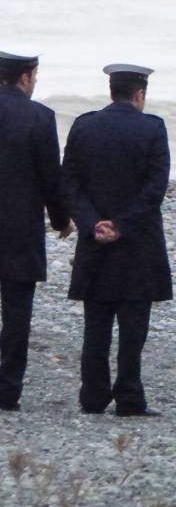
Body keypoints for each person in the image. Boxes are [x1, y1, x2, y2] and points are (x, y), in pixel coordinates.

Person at [62, 64, 171, 416]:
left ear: (112, 91)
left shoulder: (84, 126)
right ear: (139, 93)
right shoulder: (153, 128)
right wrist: (122, 225)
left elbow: (70, 183)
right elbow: (155, 188)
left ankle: (92, 396)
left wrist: (93, 223)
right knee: (133, 325)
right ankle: (129, 397)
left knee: (96, 325)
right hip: (137, 242)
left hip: (95, 242)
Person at [0, 51, 71, 411]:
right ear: (25, 78)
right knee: (16, 310)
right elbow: (50, 179)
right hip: (18, 228)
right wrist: (61, 221)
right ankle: (7, 389)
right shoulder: (39, 117)